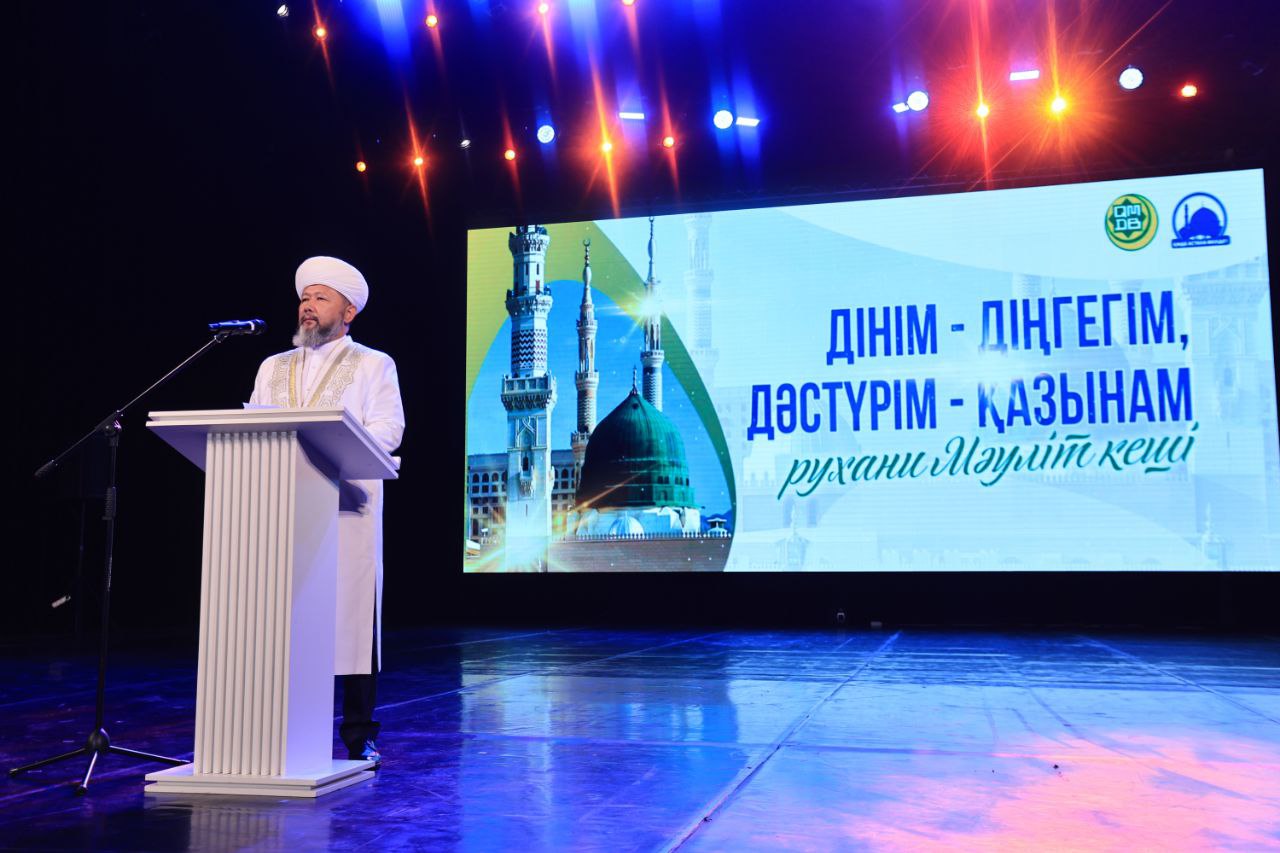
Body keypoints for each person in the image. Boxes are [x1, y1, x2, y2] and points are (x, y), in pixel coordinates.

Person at [248, 256, 405, 767]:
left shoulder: (374, 364)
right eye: (304, 297)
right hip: (281, 510)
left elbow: (388, 429)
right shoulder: (272, 367)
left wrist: (336, 446)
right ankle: (277, 733)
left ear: (348, 311)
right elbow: (253, 424)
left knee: (351, 623)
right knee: (282, 623)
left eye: (321, 298)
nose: (308, 306)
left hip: (347, 509)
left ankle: (359, 736)